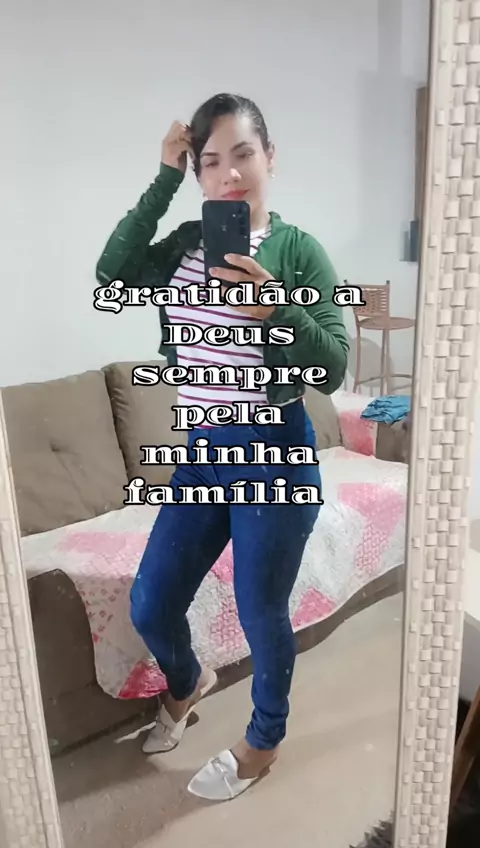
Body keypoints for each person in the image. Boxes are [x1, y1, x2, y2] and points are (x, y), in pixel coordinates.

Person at [95, 93, 349, 802]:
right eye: (210, 161)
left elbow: (332, 365)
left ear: (270, 158)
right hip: (204, 452)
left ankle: (263, 741)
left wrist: (276, 311)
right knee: (151, 602)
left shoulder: (299, 251)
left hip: (275, 450)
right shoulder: (184, 244)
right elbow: (113, 273)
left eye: (244, 154)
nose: (230, 173)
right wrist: (162, 178)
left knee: (260, 608)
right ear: (196, 172)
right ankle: (186, 681)